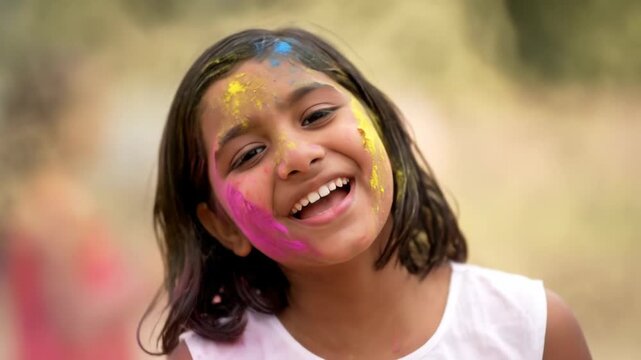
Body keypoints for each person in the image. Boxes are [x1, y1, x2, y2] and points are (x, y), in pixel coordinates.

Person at [142, 28, 591, 359]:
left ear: (381, 131)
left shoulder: (531, 330)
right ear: (222, 225)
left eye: (316, 115)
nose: (297, 156)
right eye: (249, 153)